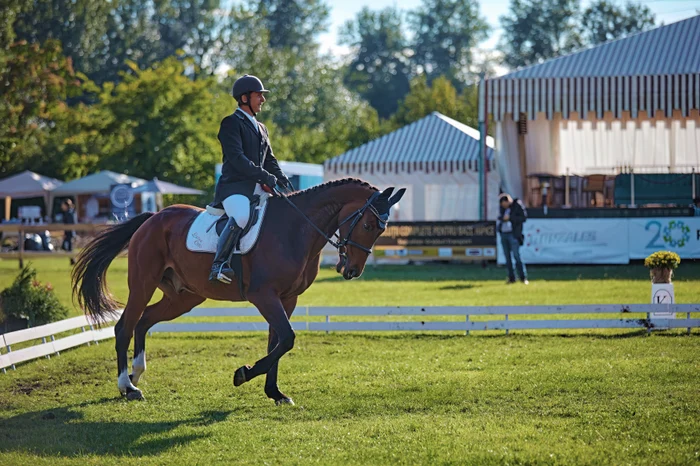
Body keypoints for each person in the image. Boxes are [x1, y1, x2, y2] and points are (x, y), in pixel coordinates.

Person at [209, 74, 293, 284]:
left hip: (258, 189)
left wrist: (283, 181)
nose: (263, 100)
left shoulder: (261, 127)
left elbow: (270, 160)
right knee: (241, 216)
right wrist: (265, 176)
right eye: (259, 95)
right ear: (244, 98)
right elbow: (238, 159)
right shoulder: (230, 123)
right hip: (234, 188)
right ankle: (219, 265)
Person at [498, 193, 528, 284]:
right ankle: (511, 278)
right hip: (504, 234)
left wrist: (510, 218)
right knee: (507, 258)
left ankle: (523, 277)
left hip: (513, 234)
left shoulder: (517, 205)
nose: (503, 206)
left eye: (504, 204)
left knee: (516, 256)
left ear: (508, 201)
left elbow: (523, 217)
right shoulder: (503, 209)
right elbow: (500, 218)